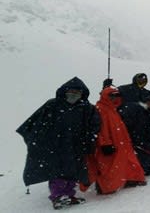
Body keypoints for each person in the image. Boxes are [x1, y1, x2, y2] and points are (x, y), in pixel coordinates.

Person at [16, 77, 100, 209]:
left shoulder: (87, 108)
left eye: (77, 92)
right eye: (71, 91)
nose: (73, 94)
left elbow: (95, 125)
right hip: (56, 146)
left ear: (82, 94)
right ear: (64, 91)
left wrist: (90, 140)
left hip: (76, 146)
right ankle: (57, 197)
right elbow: (35, 123)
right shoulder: (53, 105)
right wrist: (37, 141)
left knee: (73, 172)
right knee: (57, 172)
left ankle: (69, 195)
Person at [83, 86, 146, 195]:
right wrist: (105, 143)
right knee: (107, 166)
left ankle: (131, 179)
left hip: (120, 142)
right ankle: (105, 187)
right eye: (111, 96)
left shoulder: (112, 109)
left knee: (126, 161)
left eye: (117, 96)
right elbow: (101, 129)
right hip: (110, 143)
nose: (114, 98)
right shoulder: (101, 109)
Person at [118, 95, 150, 176]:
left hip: (147, 135)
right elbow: (130, 121)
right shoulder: (137, 108)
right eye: (149, 101)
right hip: (138, 135)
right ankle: (143, 170)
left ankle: (147, 168)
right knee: (142, 153)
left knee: (149, 151)